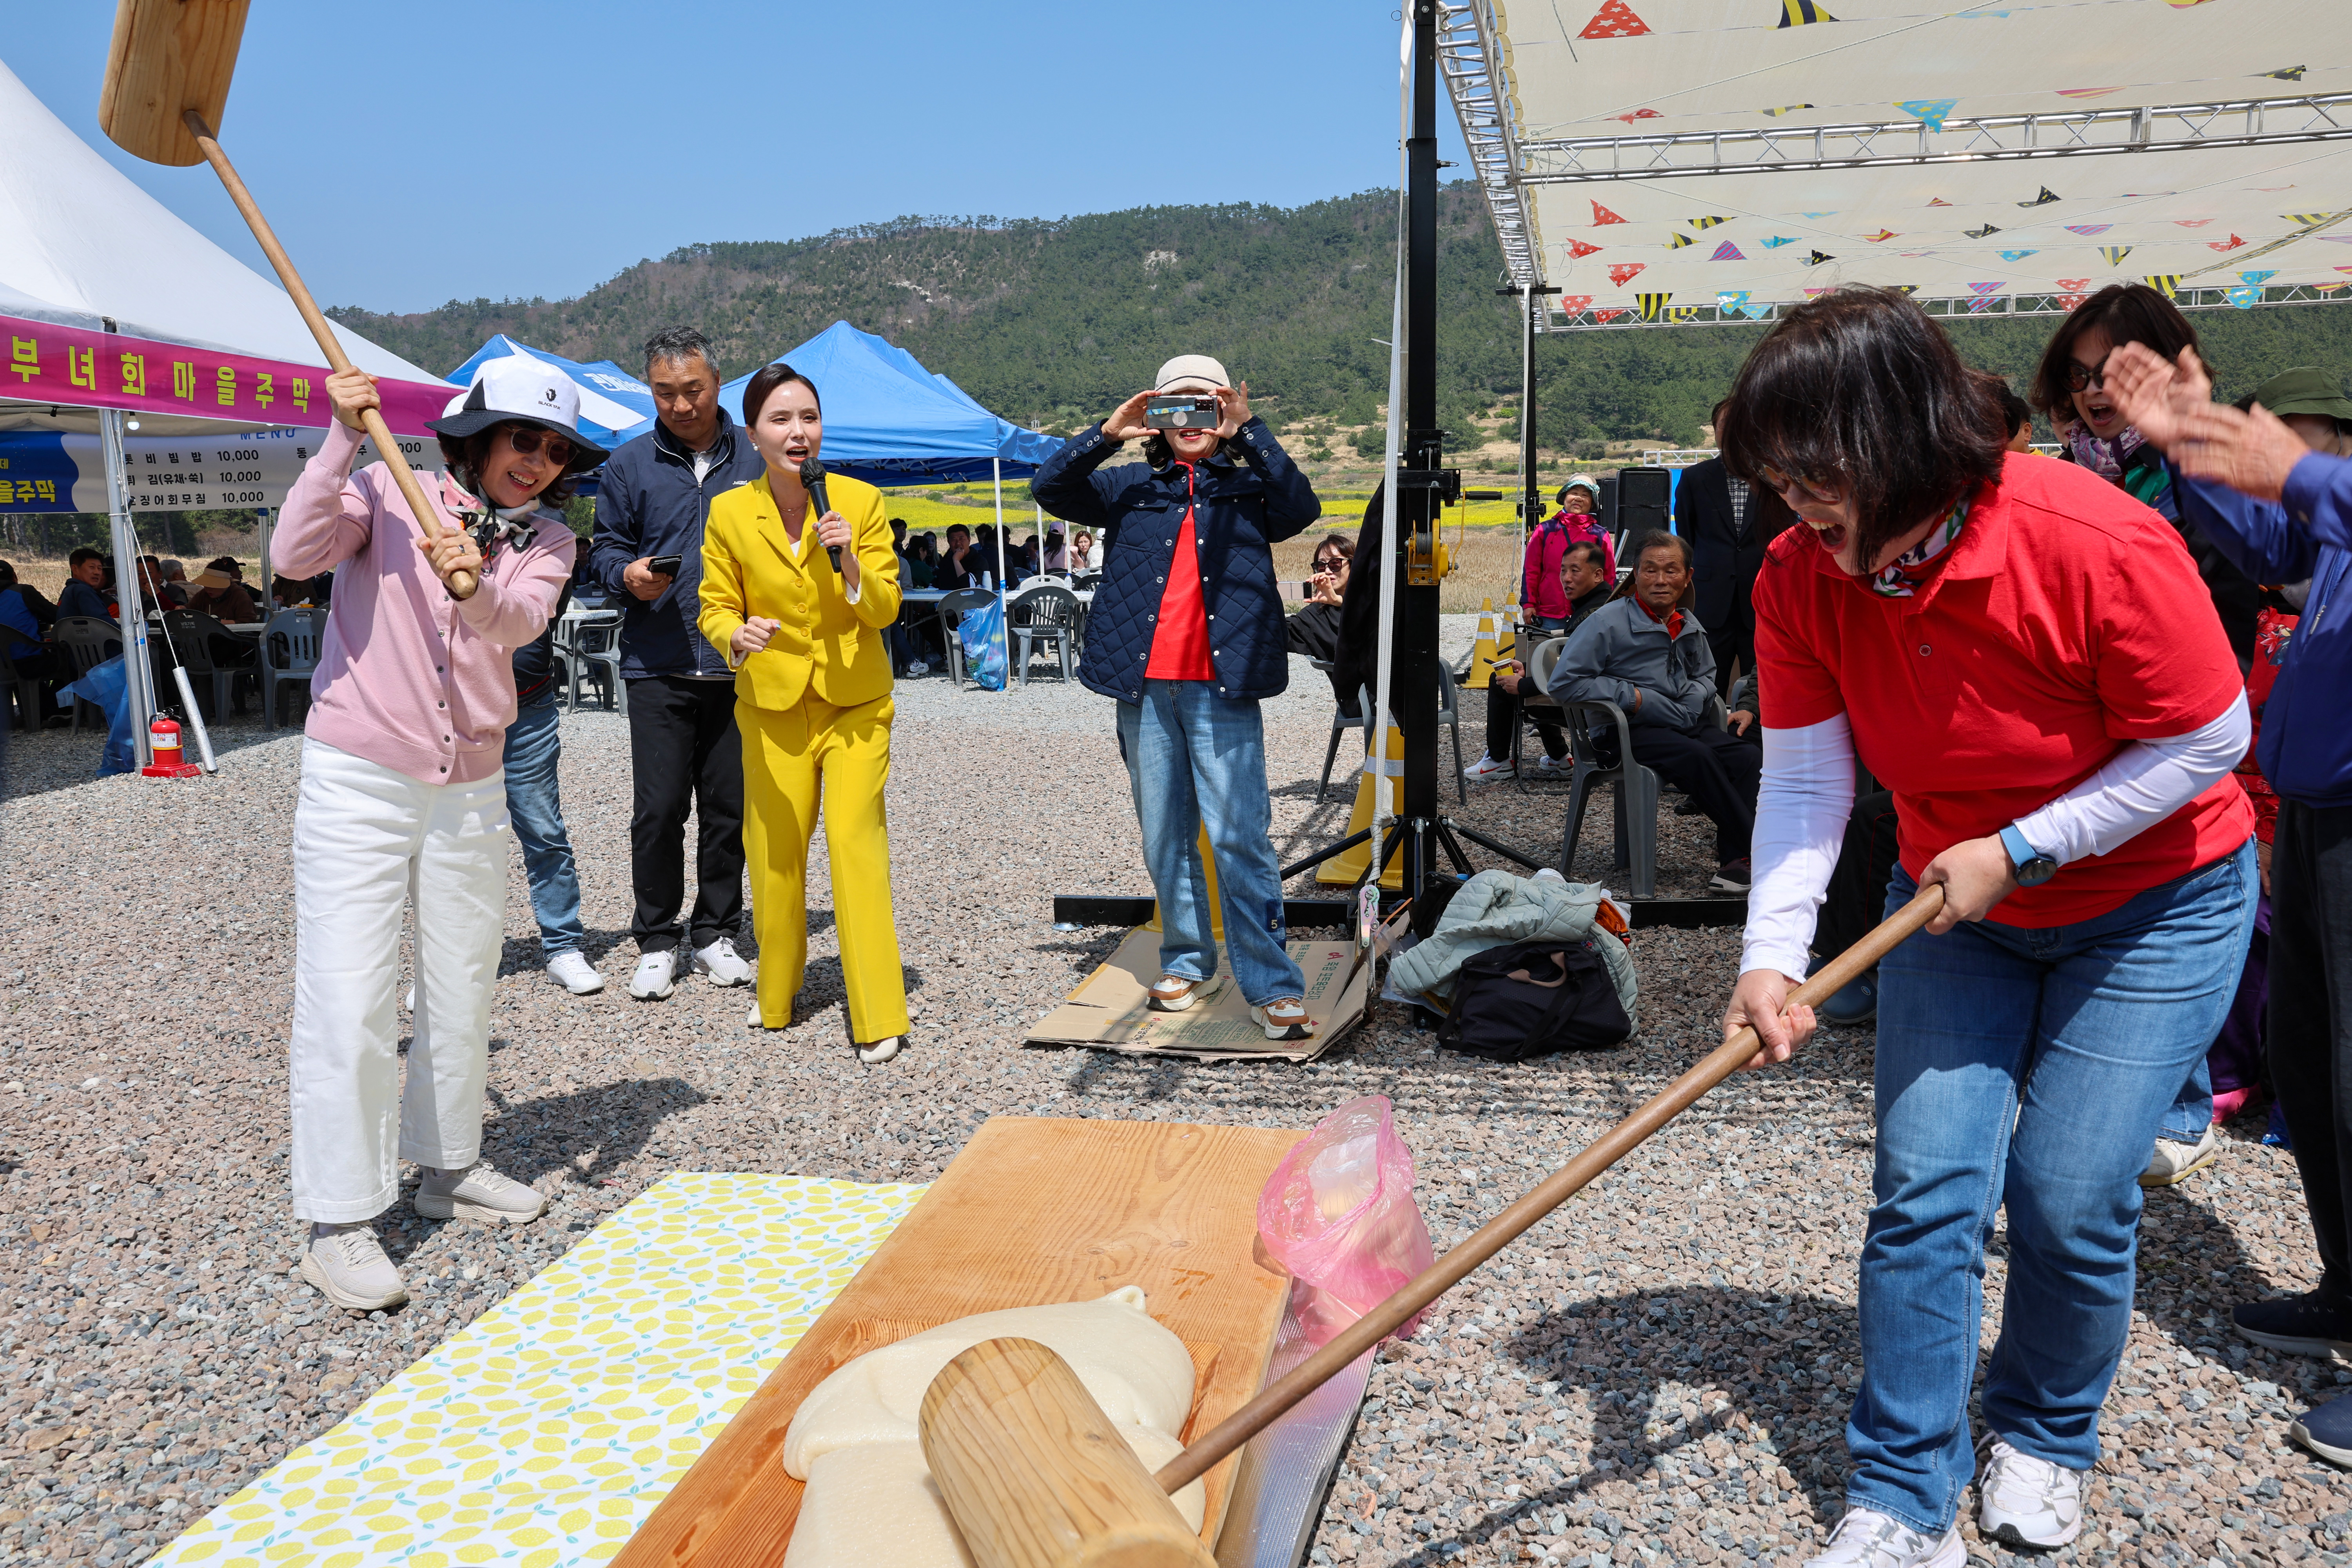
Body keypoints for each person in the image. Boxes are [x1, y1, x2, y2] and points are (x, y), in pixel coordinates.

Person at [1719, 287, 2255, 1566]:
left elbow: (2210, 737)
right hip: (1951, 912)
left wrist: (2022, 847)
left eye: (1812, 471)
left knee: (2069, 1197)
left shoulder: (2091, 537)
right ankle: (1903, 1495)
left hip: (2153, 905)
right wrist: (1770, 960)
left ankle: (2044, 1435)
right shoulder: (1802, 576)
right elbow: (1803, 784)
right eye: (1776, 478)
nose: (1792, 503)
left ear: (1897, 437)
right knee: (1925, 1191)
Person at [276, 355, 599, 1312]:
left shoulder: (548, 541)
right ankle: (338, 1221)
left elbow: (516, 623)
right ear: (479, 436)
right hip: (359, 775)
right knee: (350, 991)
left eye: (554, 448)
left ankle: (446, 1166)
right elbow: (295, 556)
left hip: (472, 783)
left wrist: (473, 586)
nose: (536, 461)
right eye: (522, 439)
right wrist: (340, 435)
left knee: (461, 980)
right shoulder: (385, 484)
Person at [2104, 345, 2352, 1465]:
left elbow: (2303, 508)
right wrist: (2186, 446)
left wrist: (2297, 473)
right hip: (2317, 815)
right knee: (2312, 1065)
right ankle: (2348, 1288)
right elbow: (2273, 552)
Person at [2032, 282, 2258, 1184]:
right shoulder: (2059, 471)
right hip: (2081, 718)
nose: (2097, 392)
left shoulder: (2207, 464)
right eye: (2082, 375)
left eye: (2118, 373)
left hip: (2186, 715)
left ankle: (2183, 1104)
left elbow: (2251, 579)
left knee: (2170, 896)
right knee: (2091, 894)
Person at [1034, 352, 1319, 1040]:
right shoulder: (1129, 486)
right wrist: (1108, 433)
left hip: (1223, 687)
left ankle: (1270, 980)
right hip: (1143, 687)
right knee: (1166, 834)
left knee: (1239, 836)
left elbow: (1301, 507)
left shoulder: (1249, 489)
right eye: (1177, 404)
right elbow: (1051, 488)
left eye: (1206, 402)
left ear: (1224, 410)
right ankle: (1190, 961)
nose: (1192, 417)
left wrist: (1251, 431)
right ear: (1156, 415)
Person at [697, 362, 909, 1064]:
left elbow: (884, 608)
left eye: (809, 417)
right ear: (753, 433)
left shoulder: (859, 502)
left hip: (856, 703)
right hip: (772, 705)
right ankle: (778, 995)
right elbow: (715, 604)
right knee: (775, 856)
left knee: (855, 847)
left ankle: (879, 1012)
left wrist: (849, 561)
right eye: (781, 419)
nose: (799, 432)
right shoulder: (730, 512)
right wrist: (735, 635)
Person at [589, 326, 766, 1002]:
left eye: (692, 391)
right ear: (651, 392)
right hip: (658, 661)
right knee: (658, 811)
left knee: (730, 809)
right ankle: (658, 939)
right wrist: (625, 572)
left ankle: (716, 930)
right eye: (665, 394)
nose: (681, 405)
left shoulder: (756, 452)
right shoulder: (629, 464)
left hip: (741, 663)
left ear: (718, 384)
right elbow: (603, 549)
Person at [1548, 530, 1759, 889]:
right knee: (1698, 757)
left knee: (1747, 756)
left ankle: (1735, 864)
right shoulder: (1606, 622)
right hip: (1625, 731)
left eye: (1671, 570)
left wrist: (1692, 699)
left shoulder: (1687, 623)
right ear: (1636, 576)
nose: (1660, 580)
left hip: (1680, 724)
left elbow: (1707, 674)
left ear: (1688, 576)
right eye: (1650, 570)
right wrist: (1633, 698)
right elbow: (1564, 683)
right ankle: (1761, 849)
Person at [503, 575, 604, 997]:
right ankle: (445, 962)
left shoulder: (547, 530)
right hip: (452, 710)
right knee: (452, 842)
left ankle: (562, 946)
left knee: (545, 833)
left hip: (529, 706)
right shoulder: (444, 517)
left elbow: (539, 613)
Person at [1677, 401, 1798, 696]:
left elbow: (1786, 538)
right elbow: (1687, 538)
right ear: (1715, 432)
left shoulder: (1776, 479)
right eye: (1725, 426)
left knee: (1765, 688)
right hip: (1710, 601)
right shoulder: (1695, 479)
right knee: (1706, 688)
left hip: (1763, 600)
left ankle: (1756, 741)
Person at [1469, 538, 1612, 782]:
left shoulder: (1593, 615)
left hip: (1590, 707)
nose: (1566, 578)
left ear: (1598, 575)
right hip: (1589, 699)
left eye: (1575, 571)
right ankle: (1560, 758)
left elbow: (1574, 675)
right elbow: (1570, 663)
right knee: (1528, 676)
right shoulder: (1598, 604)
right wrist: (1527, 669)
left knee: (1500, 683)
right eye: (1563, 571)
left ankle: (1499, 760)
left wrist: (1525, 685)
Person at [1526, 477, 1613, 621]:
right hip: (1550, 613)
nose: (1579, 498)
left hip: (1589, 614)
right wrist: (1529, 604)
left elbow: (1608, 575)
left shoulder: (1600, 535)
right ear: (1564, 497)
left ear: (1592, 504)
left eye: (1585, 495)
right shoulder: (1545, 530)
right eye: (1574, 493)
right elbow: (1531, 571)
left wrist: (1607, 607)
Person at [1283, 534, 1354, 705]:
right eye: (1321, 567)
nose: (1328, 571)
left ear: (1354, 565)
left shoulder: (1376, 601)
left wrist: (1340, 602)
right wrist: (1268, 600)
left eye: (1335, 564)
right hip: (1362, 699)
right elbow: (1277, 634)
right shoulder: (1315, 615)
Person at [58, 547, 113, 622]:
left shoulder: (69, 590)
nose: (97, 572)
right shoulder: (82, 590)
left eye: (100, 568)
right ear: (75, 569)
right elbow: (103, 622)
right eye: (92, 567)